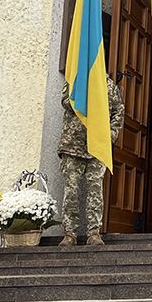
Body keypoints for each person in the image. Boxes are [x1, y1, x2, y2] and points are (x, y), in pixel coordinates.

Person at [58, 75, 125, 246]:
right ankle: (69, 233)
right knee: (71, 191)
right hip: (72, 145)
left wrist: (110, 135)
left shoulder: (108, 84)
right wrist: (85, 91)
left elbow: (118, 110)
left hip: (97, 146)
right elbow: (66, 102)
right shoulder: (75, 77)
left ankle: (94, 232)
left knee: (95, 190)